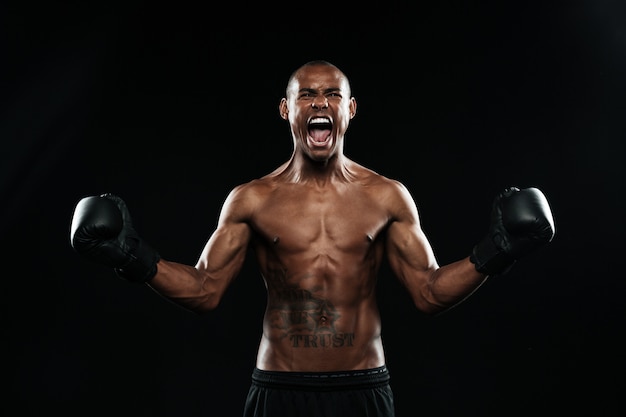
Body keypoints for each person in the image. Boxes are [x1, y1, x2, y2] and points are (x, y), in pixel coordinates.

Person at [69, 60, 555, 417]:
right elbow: (204, 289)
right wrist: (130, 257)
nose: (320, 103)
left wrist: (499, 251)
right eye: (307, 95)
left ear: (350, 110)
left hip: (363, 389)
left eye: (332, 95)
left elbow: (428, 293)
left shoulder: (386, 197)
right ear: (286, 110)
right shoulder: (251, 200)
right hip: (280, 389)